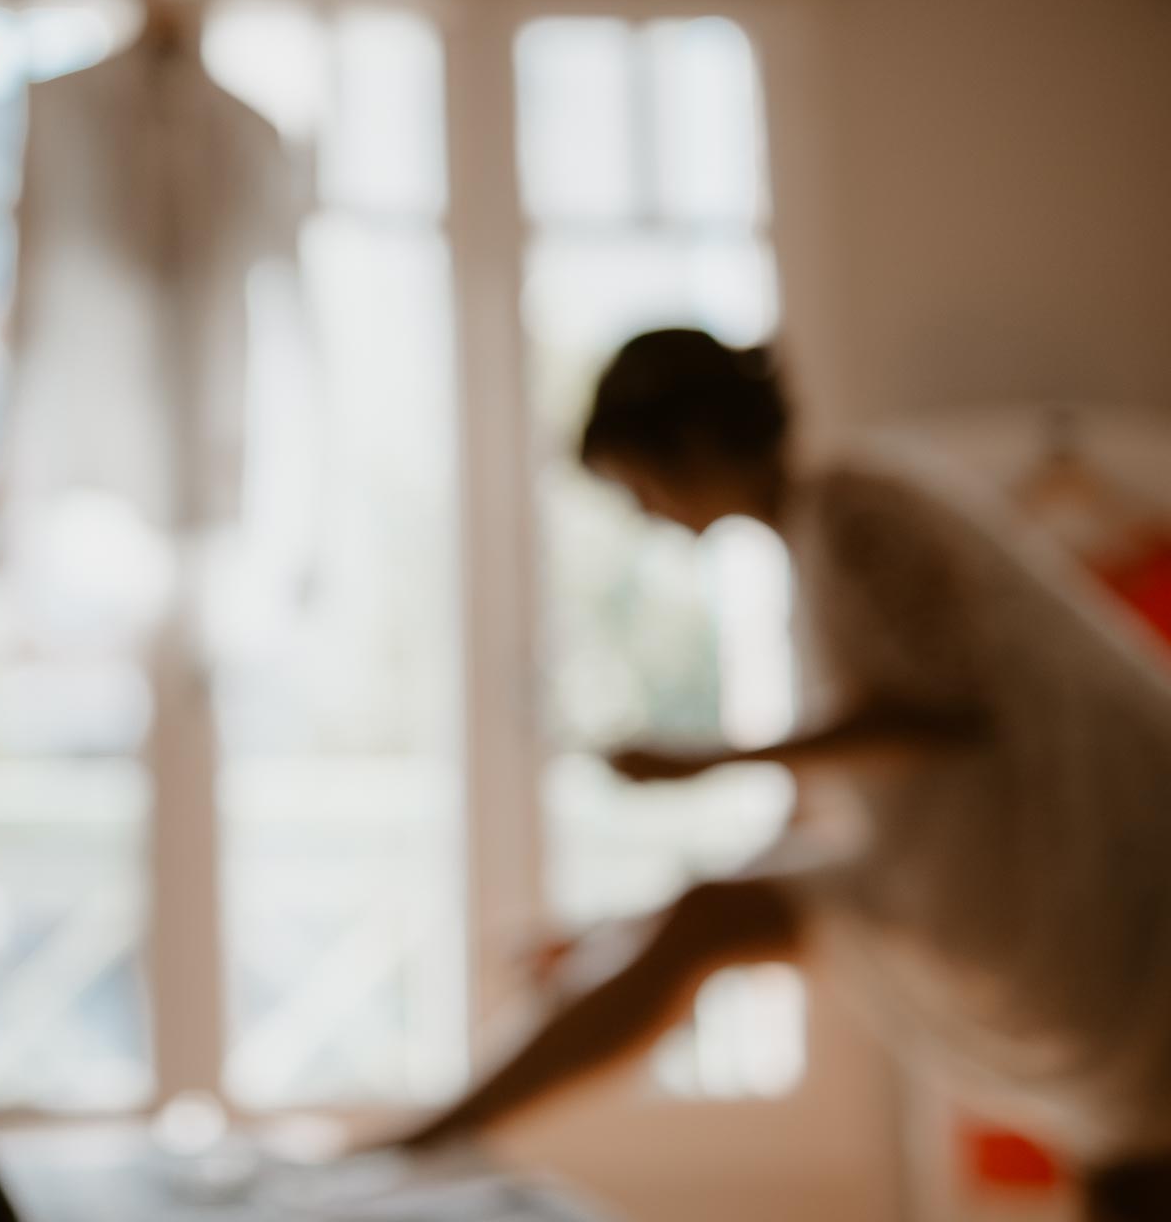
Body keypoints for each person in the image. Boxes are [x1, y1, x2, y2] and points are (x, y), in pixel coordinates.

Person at [376, 329, 1171, 1220]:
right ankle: (418, 1146)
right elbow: (826, 809)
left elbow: (939, 708)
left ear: (695, 444)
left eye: (642, 487)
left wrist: (706, 761)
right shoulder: (823, 532)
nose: (649, 516)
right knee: (704, 920)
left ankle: (413, 1148)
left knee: (1135, 1170)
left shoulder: (856, 511)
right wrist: (610, 931)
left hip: (1074, 892)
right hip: (1005, 880)